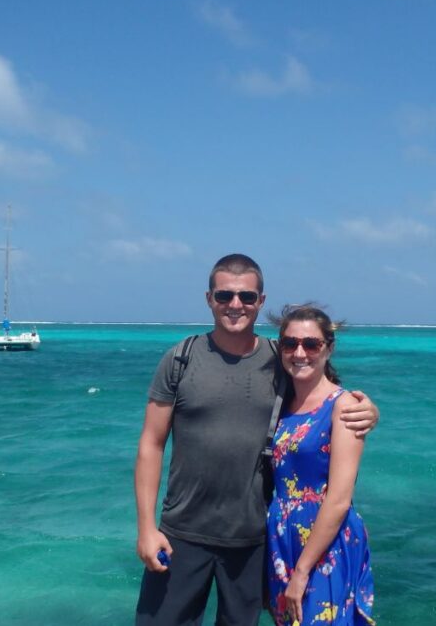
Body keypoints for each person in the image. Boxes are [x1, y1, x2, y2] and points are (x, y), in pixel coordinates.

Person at [135, 254, 378, 626]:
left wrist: (368, 410)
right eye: (225, 295)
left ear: (260, 302)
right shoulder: (180, 359)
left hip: (252, 540)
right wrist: (146, 529)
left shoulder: (277, 359)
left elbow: (321, 395)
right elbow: (151, 444)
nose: (236, 305)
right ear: (209, 299)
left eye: (247, 297)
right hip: (181, 532)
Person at [266, 304, 375, 626]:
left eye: (311, 344)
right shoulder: (281, 403)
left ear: (329, 348)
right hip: (282, 539)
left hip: (324, 544)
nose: (300, 353)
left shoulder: (344, 406)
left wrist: (301, 572)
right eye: (290, 344)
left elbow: (339, 499)